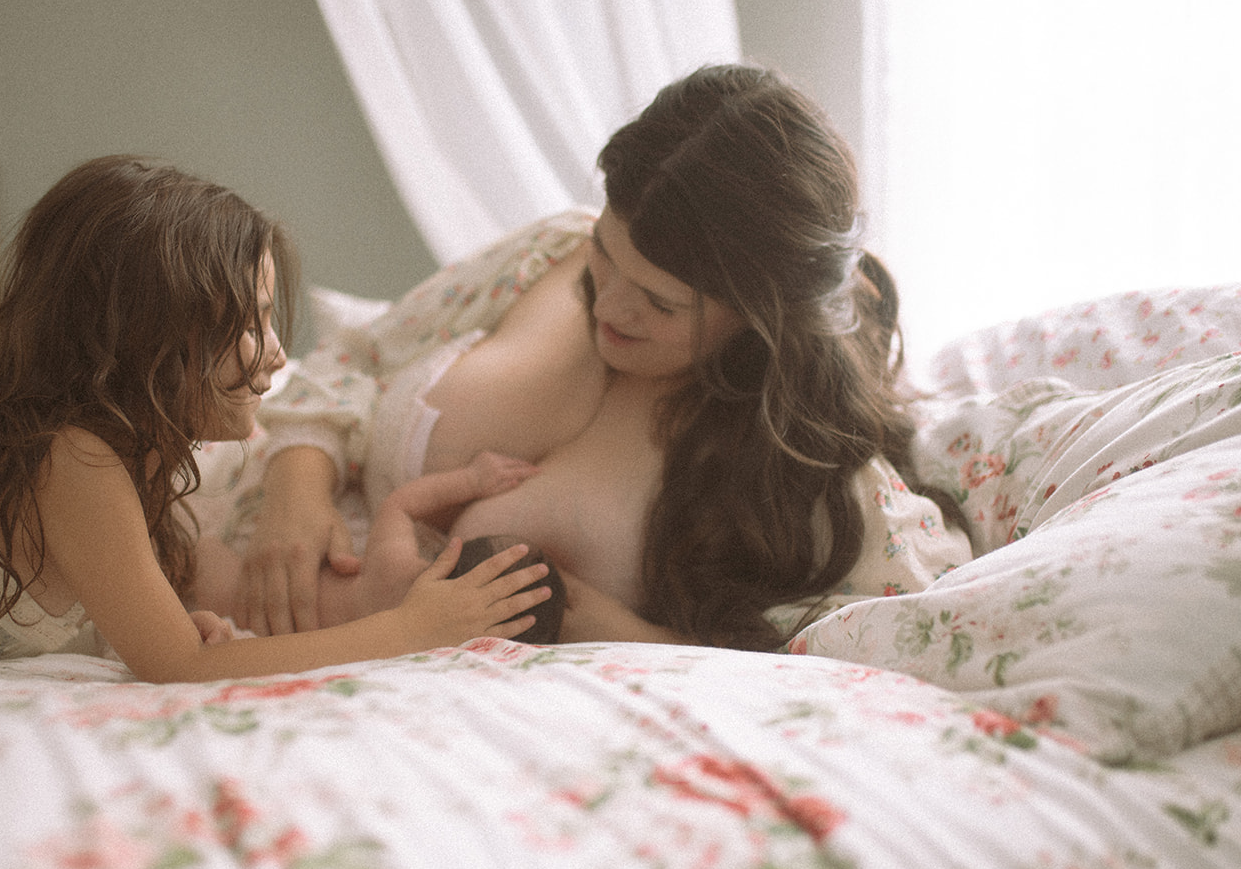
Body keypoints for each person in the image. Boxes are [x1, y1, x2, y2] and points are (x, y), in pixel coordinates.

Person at [0, 156, 550, 681]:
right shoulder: (74, 457)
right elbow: (175, 671)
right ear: (148, 343)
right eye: (252, 324)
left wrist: (180, 625)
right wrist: (412, 631)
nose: (278, 356)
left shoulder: (118, 459)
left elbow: (125, 625)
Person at [238, 65, 973, 650]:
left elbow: (908, 626)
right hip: (233, 532)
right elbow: (356, 355)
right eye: (605, 255)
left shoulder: (796, 463)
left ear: (760, 318)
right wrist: (297, 487)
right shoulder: (551, 252)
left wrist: (628, 633)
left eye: (658, 302)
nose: (610, 307)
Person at [192, 451, 568, 643]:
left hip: (255, 602)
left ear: (452, 552)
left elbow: (400, 504)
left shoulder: (399, 570)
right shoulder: (432, 640)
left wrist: (470, 480)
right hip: (265, 621)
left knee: (199, 561)